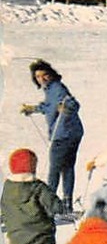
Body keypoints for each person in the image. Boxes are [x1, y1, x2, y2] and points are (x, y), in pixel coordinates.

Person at [20, 59, 84, 216]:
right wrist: (33, 108)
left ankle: (49, 205)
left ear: (51, 75)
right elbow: (49, 106)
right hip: (72, 133)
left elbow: (73, 104)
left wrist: (67, 107)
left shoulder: (57, 88)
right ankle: (66, 203)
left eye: (44, 75)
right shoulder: (50, 90)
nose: (42, 79)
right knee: (67, 167)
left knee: (55, 168)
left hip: (64, 134)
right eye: (38, 77)